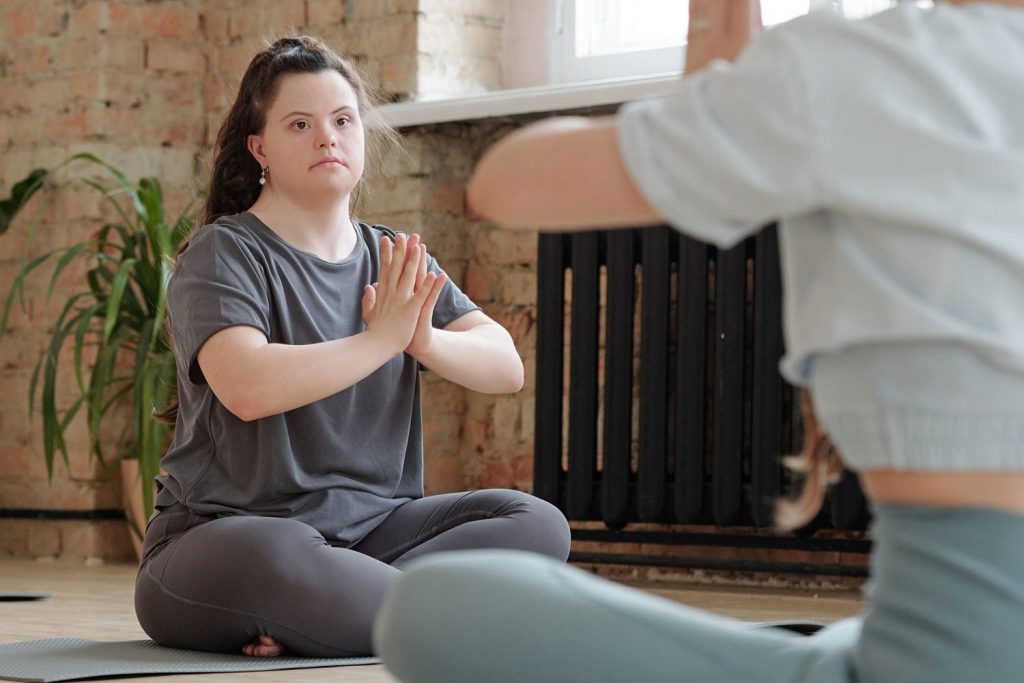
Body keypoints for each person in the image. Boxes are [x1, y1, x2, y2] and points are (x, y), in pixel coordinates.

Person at [373, 0, 1024, 681]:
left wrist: (713, 70)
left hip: (955, 656)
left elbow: (505, 179)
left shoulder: (865, 68)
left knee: (435, 605)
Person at [133, 35, 571, 659]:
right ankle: (395, 611)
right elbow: (249, 385)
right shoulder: (224, 252)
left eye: (342, 121)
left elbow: (505, 365)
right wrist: (382, 339)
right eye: (301, 124)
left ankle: (339, 611)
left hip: (369, 538)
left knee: (534, 524)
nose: (327, 138)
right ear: (260, 147)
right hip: (222, 541)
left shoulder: (389, 255)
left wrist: (422, 339)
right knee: (278, 552)